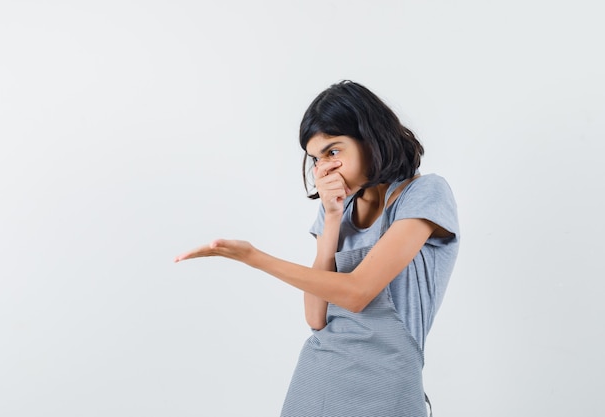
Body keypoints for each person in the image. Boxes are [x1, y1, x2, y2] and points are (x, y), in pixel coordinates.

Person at [175, 80, 459, 417]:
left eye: (333, 151)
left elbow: (357, 292)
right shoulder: (336, 207)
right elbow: (316, 318)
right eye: (315, 159)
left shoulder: (425, 194)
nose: (323, 169)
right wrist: (333, 219)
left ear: (372, 140)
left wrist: (255, 258)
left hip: (387, 385)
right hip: (317, 378)